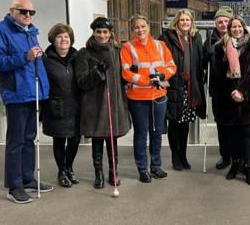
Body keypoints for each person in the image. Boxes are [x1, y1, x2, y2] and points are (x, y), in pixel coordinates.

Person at [0, 0, 53, 203]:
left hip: (33, 93)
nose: (28, 15)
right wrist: (24, 57)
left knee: (30, 139)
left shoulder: (31, 32)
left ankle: (27, 178)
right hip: (17, 94)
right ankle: (14, 186)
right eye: (24, 11)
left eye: (31, 13)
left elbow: (36, 65)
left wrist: (44, 89)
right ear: (12, 11)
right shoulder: (0, 30)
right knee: (16, 141)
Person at [75, 17, 131, 189]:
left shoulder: (117, 51)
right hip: (95, 104)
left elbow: (123, 76)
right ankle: (98, 174)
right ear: (93, 32)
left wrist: (130, 73)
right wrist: (98, 72)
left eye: (105, 32)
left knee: (112, 140)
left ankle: (113, 173)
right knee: (98, 140)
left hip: (114, 103)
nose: (102, 35)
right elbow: (82, 82)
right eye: (98, 32)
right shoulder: (84, 53)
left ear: (110, 33)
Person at [121, 15, 176, 182]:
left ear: (148, 27)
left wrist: (162, 74)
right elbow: (126, 72)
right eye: (137, 27)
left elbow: (172, 66)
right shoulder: (127, 47)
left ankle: (156, 167)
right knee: (140, 134)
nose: (140, 30)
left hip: (159, 96)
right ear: (133, 30)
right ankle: (142, 169)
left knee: (157, 133)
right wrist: (146, 81)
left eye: (143, 26)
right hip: (138, 98)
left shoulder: (161, 45)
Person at [214, 16, 250, 187]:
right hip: (229, 98)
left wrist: (242, 91)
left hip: (248, 98)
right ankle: (235, 164)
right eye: (233, 27)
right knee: (233, 134)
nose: (236, 29)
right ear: (229, 29)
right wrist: (232, 92)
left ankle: (249, 168)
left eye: (239, 26)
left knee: (247, 135)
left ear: (244, 28)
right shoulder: (221, 48)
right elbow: (219, 74)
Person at [159, 9, 206, 171]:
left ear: (191, 22)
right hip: (174, 87)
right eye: (182, 20)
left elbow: (200, 61)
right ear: (176, 22)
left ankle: (184, 156)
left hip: (190, 88)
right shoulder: (166, 38)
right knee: (175, 123)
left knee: (185, 123)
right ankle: (175, 157)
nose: (185, 23)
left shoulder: (196, 38)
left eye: (188, 20)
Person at [41, 23, 81, 188]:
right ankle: (62, 171)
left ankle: (69, 167)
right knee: (59, 140)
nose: (63, 39)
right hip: (55, 105)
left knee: (75, 140)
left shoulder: (78, 57)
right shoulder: (45, 60)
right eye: (59, 36)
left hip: (76, 106)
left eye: (66, 36)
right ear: (53, 39)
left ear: (71, 39)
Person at [203, 6, 234, 170]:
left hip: (235, 89)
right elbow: (202, 63)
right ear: (216, 24)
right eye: (219, 22)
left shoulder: (238, 37)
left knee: (236, 124)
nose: (223, 24)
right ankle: (226, 156)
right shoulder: (209, 40)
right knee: (221, 124)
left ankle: (238, 156)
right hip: (218, 90)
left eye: (225, 21)